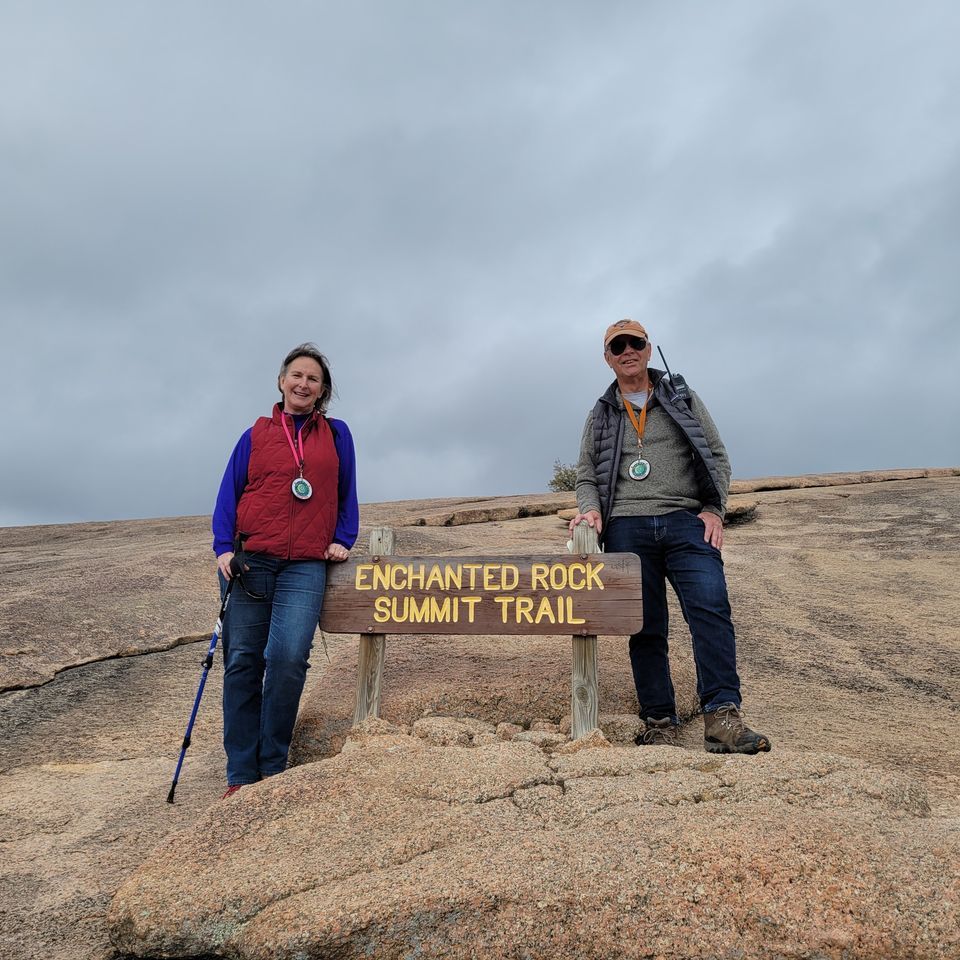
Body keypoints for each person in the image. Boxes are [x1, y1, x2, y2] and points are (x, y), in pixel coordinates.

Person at [569, 319, 770, 754]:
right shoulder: (601, 413)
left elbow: (716, 456)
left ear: (647, 349)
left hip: (684, 520)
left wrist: (715, 509)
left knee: (711, 610)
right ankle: (658, 719)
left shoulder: (681, 397)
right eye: (617, 346)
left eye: (634, 343)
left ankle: (721, 716)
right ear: (607, 358)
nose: (627, 351)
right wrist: (589, 510)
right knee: (645, 626)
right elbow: (586, 474)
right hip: (625, 524)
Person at [212, 342, 358, 797]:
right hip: (250, 560)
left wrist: (343, 538)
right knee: (242, 661)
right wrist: (222, 547)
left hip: (305, 566)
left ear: (322, 390)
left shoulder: (337, 435)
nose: (303, 383)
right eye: (296, 375)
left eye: (312, 379)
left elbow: (347, 491)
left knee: (290, 659)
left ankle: (273, 762)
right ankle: (240, 771)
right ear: (281, 381)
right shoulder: (254, 435)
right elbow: (228, 494)